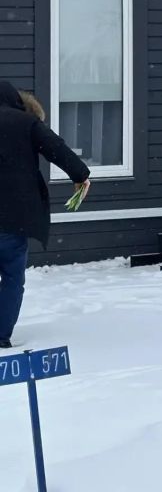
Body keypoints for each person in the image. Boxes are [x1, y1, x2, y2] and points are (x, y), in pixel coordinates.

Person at [0, 80, 90, 348]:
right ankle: (1, 334)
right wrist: (80, 175)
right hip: (14, 217)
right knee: (12, 277)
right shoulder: (26, 123)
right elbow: (56, 148)